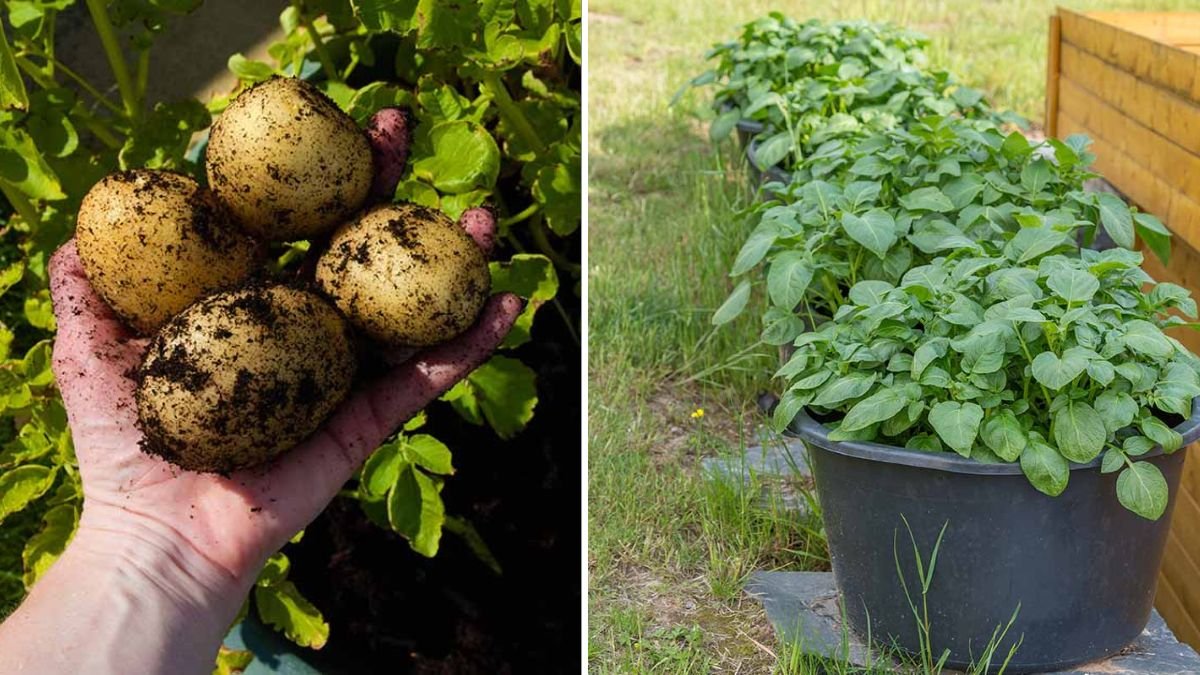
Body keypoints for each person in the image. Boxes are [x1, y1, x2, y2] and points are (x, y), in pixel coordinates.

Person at [0, 113, 522, 674]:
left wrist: (144, 549)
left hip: (296, 324)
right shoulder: (282, 329)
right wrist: (147, 542)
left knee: (434, 287)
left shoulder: (310, 308)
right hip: (284, 335)